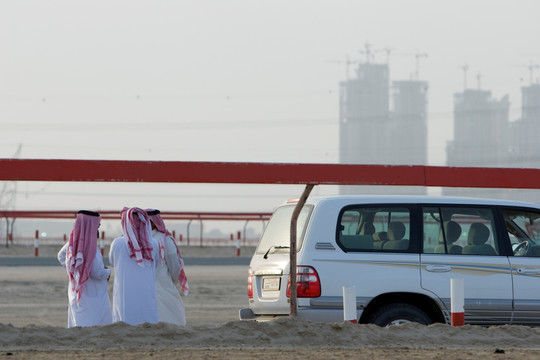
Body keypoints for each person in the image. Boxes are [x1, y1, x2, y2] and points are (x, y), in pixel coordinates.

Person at [57, 210, 112, 327]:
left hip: (77, 289)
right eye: (97, 224)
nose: (98, 227)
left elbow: (61, 256)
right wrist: (108, 272)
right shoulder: (91, 247)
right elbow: (96, 272)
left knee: (78, 320)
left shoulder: (73, 243)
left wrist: (73, 270)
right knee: (94, 324)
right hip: (92, 293)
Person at [109, 206, 159, 325]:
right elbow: (156, 264)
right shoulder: (153, 244)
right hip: (147, 292)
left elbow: (112, 262)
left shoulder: (118, 243)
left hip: (124, 296)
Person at [146, 209, 188, 326]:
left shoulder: (141, 240)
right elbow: (175, 267)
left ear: (154, 222)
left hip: (154, 282)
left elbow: (174, 266)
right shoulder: (164, 239)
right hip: (162, 282)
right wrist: (172, 282)